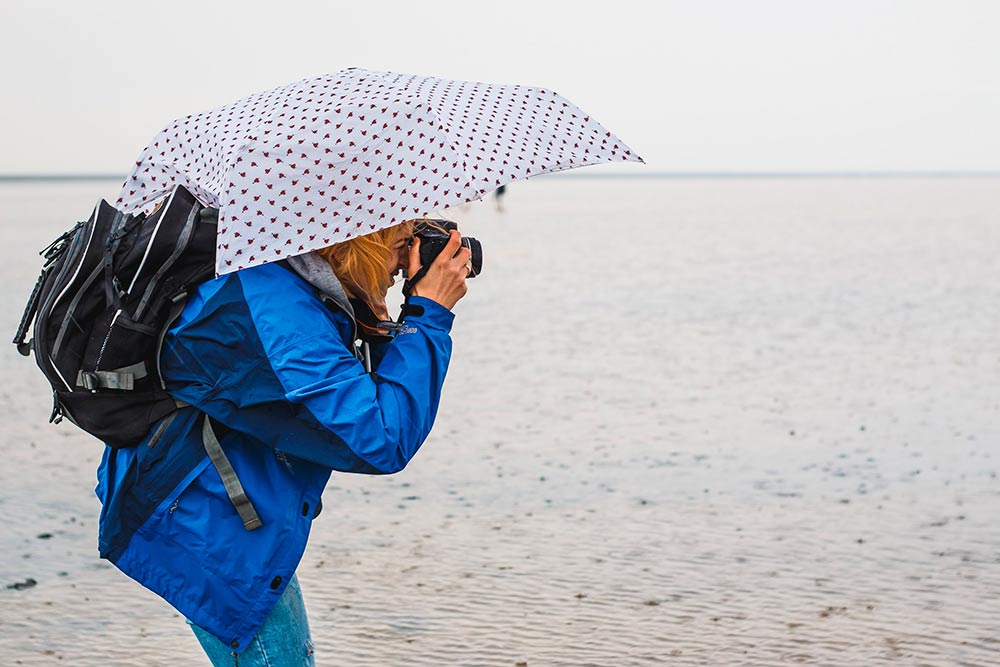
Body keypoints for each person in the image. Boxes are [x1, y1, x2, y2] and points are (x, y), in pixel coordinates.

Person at [95, 219, 473, 666]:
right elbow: (381, 438)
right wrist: (428, 315)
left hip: (227, 506)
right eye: (400, 244)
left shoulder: (281, 277)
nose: (407, 261)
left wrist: (377, 316)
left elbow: (351, 400)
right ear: (356, 240)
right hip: (213, 527)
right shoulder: (276, 312)